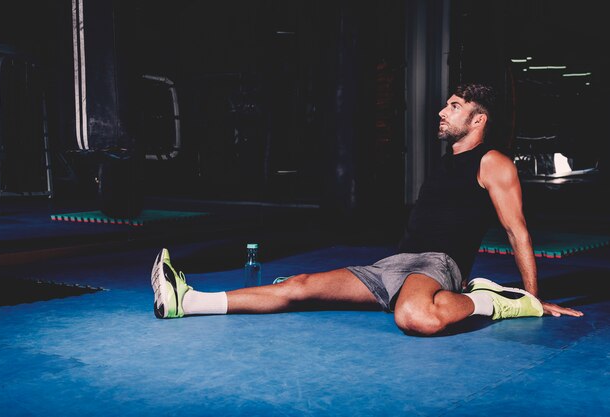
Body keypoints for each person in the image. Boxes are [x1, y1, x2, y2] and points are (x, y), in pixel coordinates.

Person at [150, 83, 583, 336]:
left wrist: (532, 297)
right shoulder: (448, 159)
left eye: (453, 106)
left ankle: (496, 302)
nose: (441, 110)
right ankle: (186, 302)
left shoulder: (494, 162)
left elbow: (517, 231)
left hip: (438, 265)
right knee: (299, 285)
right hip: (394, 264)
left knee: (415, 317)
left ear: (478, 120)